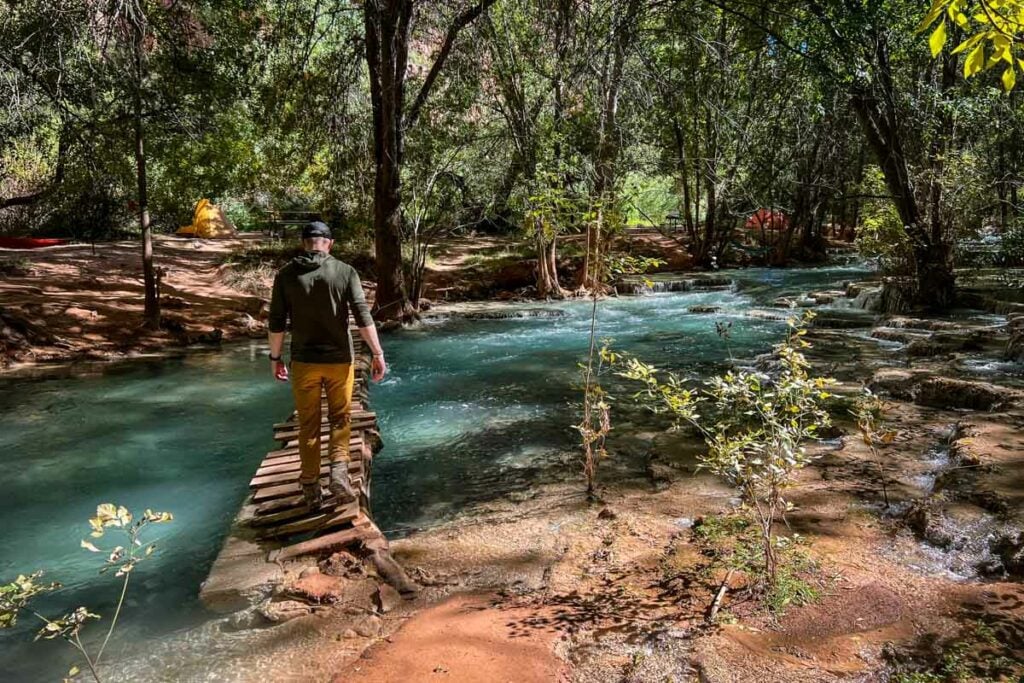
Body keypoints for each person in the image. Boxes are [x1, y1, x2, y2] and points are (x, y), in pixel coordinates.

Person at [267, 221, 387, 510]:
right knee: (340, 418)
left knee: (308, 424)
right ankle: (338, 472)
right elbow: (362, 317)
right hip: (339, 360)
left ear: (303, 242)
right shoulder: (345, 272)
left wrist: (275, 358)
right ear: (329, 243)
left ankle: (310, 487)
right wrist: (378, 353)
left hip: (304, 361)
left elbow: (276, 321)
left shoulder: (285, 275)